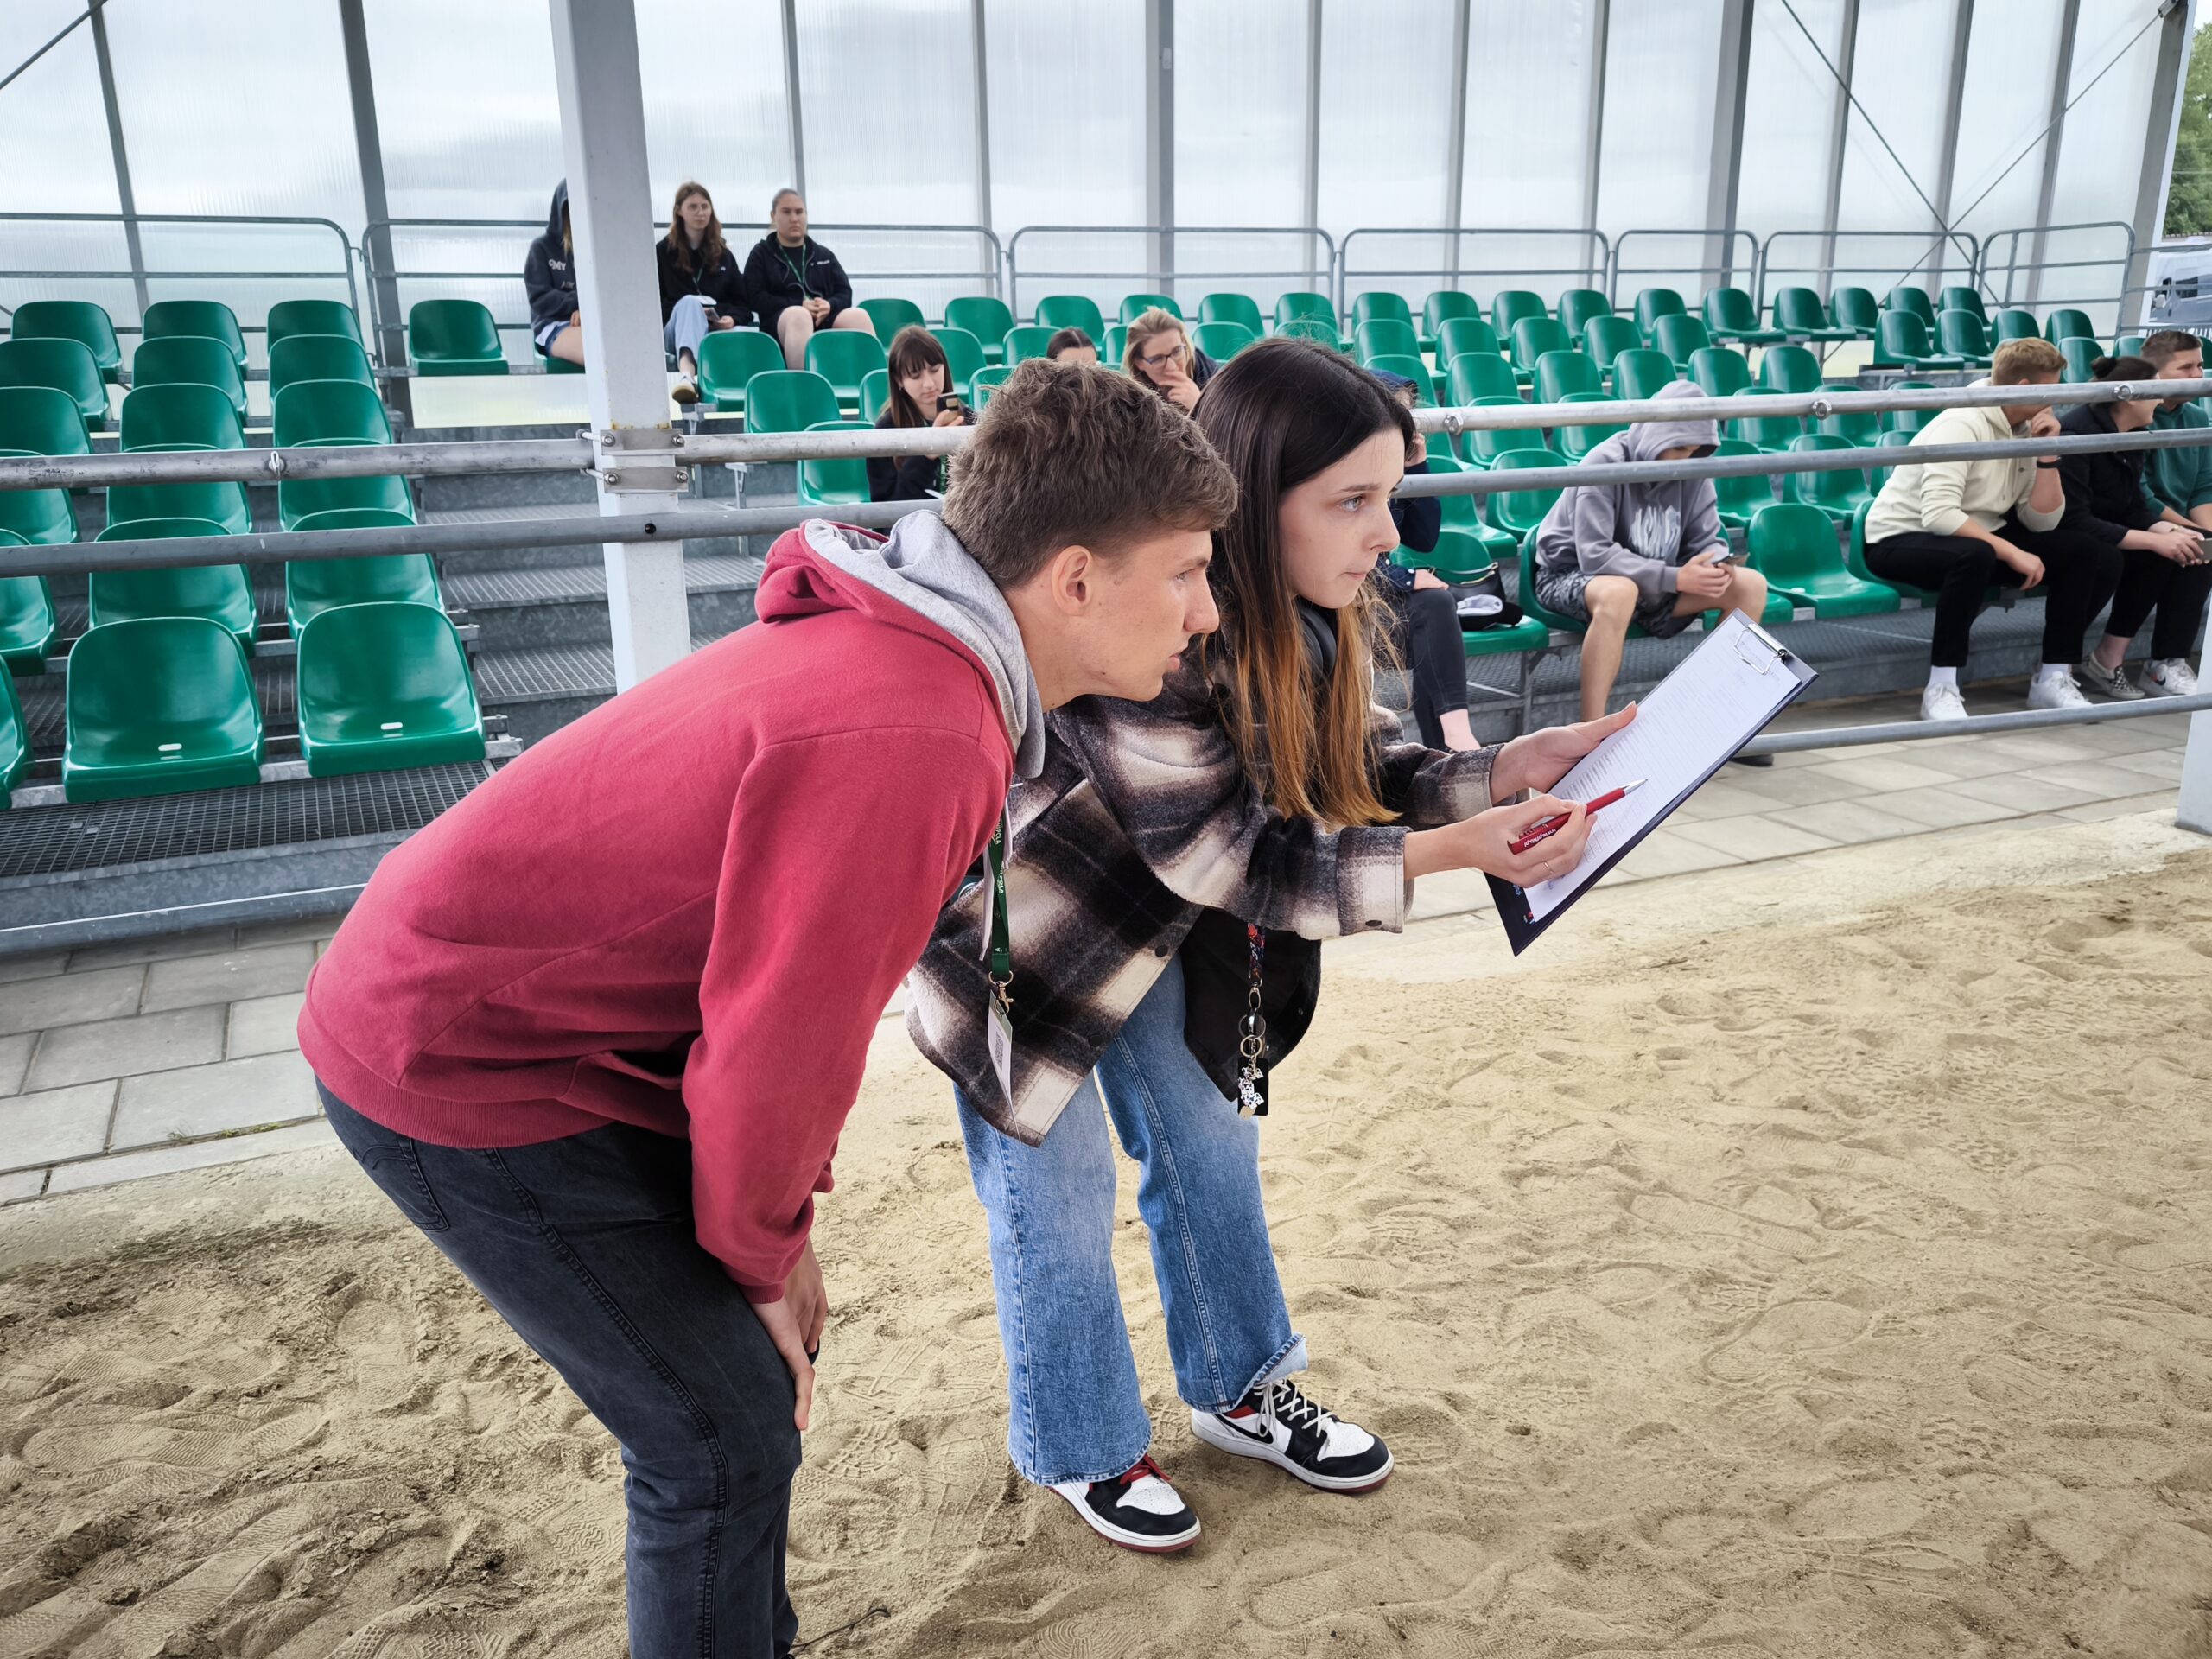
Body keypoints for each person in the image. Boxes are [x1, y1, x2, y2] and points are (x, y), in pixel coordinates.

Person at [296, 359, 1238, 1659]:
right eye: (1185, 572)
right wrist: (764, 1254)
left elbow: (759, 1020)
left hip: (516, 1009)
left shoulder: (916, 656)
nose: (1204, 611)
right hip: (456, 1045)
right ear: (1074, 580)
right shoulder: (919, 731)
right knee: (720, 1434)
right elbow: (778, 1049)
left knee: (734, 1412)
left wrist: (765, 1238)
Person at [906, 339, 1631, 1554]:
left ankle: (1240, 1386)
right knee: (1057, 1194)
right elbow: (1239, 855)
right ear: (1252, 500)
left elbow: (1353, 762)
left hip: (1165, 932)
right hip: (1027, 943)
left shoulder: (1305, 617)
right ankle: (1086, 1443)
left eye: (1390, 495)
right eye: (1351, 501)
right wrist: (1455, 851)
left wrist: (1502, 768)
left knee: (1210, 1146)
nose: (1385, 533)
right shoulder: (1156, 622)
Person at [1862, 337, 2120, 718]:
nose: (2060, 397)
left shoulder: (2027, 426)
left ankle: (2052, 676)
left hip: (1978, 534)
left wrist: (2048, 453)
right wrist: (2013, 552)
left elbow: (2041, 521)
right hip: (1899, 539)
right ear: (2024, 388)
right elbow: (1939, 515)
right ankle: (1942, 686)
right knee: (1975, 555)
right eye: (2053, 388)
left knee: (2091, 553)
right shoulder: (1962, 423)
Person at [1531, 380, 1770, 723]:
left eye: (1694, 450)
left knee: (1750, 585)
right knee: (1620, 591)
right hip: (1570, 575)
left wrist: (1714, 562)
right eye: (1679, 448)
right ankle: (1590, 730)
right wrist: (1675, 577)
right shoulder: (1604, 461)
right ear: (1657, 433)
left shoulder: (1693, 468)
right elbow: (1594, 555)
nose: (1685, 458)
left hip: (1657, 584)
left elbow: (1707, 537)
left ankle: (1720, 718)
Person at [2081, 331, 2212, 697]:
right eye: (2186, 367)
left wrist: (2206, 533)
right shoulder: (2138, 415)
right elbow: (2141, 496)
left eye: (2200, 366)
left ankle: (2166, 663)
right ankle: (2156, 664)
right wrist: (2188, 532)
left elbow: (2203, 487)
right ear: (2154, 373)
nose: (2198, 375)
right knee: (2185, 548)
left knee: (2204, 546)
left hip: (2164, 518)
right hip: (2134, 517)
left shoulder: (2198, 416)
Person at [1371, 369, 1481, 750]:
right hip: (1340, 605)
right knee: (1430, 605)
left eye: (1408, 414)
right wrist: (1405, 579)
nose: (1405, 423)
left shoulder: (1392, 469)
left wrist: (1416, 467)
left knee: (1434, 607)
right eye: (1397, 413)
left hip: (1375, 602)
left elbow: (1424, 538)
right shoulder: (1349, 468)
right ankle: (1453, 745)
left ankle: (1451, 743)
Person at [742, 188, 874, 371]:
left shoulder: (823, 254)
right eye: (786, 212)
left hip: (823, 320)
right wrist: (798, 303)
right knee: (799, 315)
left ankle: (875, 382)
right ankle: (802, 384)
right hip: (781, 323)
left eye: (799, 212)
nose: (794, 218)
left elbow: (845, 292)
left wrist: (830, 305)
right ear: (773, 216)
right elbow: (755, 297)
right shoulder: (761, 255)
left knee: (858, 315)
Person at [658, 181, 753, 405]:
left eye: (704, 206)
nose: (700, 213)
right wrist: (691, 313)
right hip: (675, 329)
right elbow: (654, 305)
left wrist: (730, 319)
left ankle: (744, 388)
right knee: (689, 304)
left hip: (714, 330)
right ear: (679, 211)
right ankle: (686, 376)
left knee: (745, 334)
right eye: (693, 207)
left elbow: (743, 304)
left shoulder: (722, 254)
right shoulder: (662, 253)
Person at [869, 325, 974, 502]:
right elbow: (885, 508)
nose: (929, 384)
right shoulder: (885, 430)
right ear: (898, 380)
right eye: (915, 376)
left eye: (935, 370)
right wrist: (926, 455)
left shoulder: (970, 420)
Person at [524, 181, 583, 367]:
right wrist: (582, 304)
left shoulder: (595, 250)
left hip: (593, 324)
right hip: (553, 325)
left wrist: (587, 312)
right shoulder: (541, 248)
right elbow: (540, 299)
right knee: (597, 347)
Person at [1124, 307, 1217, 411]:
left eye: (1176, 351)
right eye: (1158, 359)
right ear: (1139, 363)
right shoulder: (1129, 402)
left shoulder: (1213, 377)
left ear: (1184, 343)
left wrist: (1200, 406)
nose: (1171, 366)